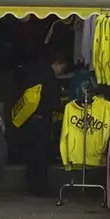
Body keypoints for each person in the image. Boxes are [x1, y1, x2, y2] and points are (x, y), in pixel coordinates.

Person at [19, 52, 68, 197]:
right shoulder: (49, 77)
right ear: (57, 64)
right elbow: (53, 101)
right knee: (41, 155)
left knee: (32, 154)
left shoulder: (34, 71)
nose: (61, 72)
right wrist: (64, 106)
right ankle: (41, 187)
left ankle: (32, 185)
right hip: (41, 120)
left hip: (29, 118)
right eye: (62, 68)